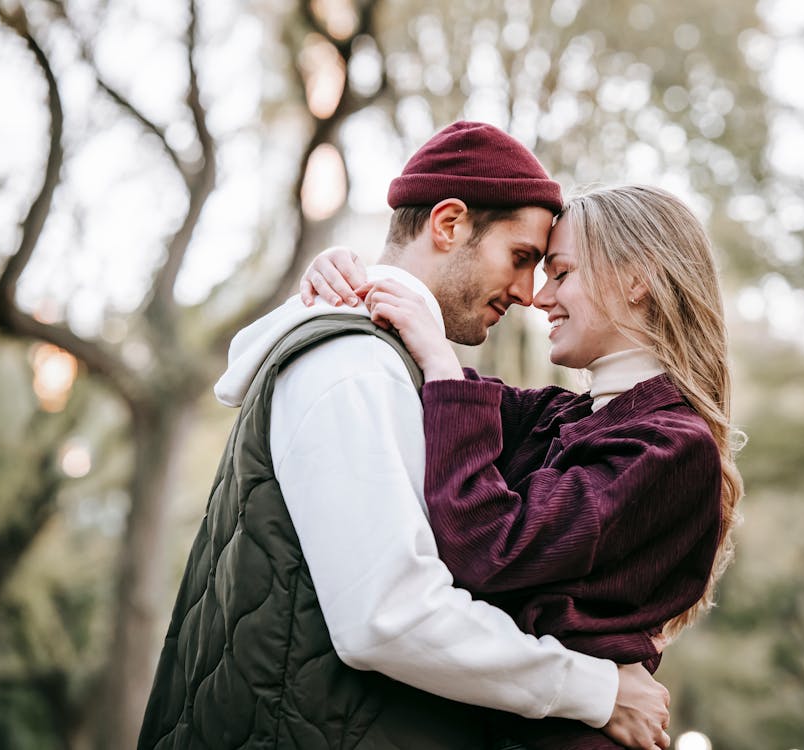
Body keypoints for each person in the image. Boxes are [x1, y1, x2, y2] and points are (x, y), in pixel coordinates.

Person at [138, 123, 672, 750]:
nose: (530, 294)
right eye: (522, 258)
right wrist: (597, 691)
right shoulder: (354, 366)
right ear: (448, 224)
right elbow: (388, 616)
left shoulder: (390, 366)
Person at [301, 183, 745, 749]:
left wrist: (441, 358)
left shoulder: (671, 448)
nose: (540, 297)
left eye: (561, 272)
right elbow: (444, 398)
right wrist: (353, 277)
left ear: (639, 279)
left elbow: (491, 548)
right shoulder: (562, 416)